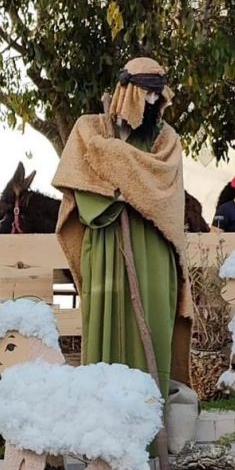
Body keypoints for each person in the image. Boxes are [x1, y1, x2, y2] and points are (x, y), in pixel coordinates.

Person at [53, 56, 190, 397]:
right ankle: (103, 414)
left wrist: (113, 159)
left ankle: (150, 412)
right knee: (106, 322)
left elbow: (163, 191)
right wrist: (120, 189)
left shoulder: (165, 139)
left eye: (158, 94)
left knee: (153, 326)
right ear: (126, 92)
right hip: (105, 241)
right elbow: (78, 184)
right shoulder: (89, 129)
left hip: (153, 244)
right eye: (147, 93)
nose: (154, 101)